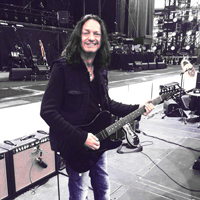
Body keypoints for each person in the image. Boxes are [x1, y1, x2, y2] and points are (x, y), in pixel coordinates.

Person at [40, 14, 154, 200]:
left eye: (96, 34)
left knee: (103, 184)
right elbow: (47, 111)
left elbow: (107, 104)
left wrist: (137, 108)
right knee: (79, 191)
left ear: (102, 40)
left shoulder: (100, 69)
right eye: (87, 32)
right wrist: (81, 137)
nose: (91, 37)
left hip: (99, 138)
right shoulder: (62, 69)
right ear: (78, 36)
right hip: (74, 143)